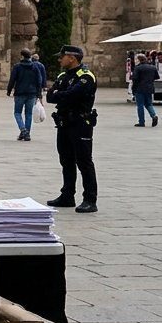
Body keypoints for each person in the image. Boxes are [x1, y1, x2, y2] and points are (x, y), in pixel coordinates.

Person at [47, 45, 98, 213]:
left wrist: (61, 94)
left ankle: (90, 199)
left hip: (80, 123)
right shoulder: (63, 76)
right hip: (64, 123)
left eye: (62, 56)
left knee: (84, 161)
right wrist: (62, 94)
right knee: (66, 160)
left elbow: (72, 96)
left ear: (72, 58)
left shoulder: (85, 76)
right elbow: (50, 97)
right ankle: (67, 195)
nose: (59, 60)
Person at [5, 48, 47, 141]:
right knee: (28, 114)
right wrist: (39, 94)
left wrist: (9, 90)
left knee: (17, 113)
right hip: (32, 93)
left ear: (22, 56)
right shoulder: (35, 67)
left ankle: (23, 130)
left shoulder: (17, 66)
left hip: (19, 93)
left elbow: (12, 79)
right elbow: (39, 81)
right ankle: (26, 133)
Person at [129, 53, 159, 127]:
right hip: (149, 88)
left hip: (139, 89)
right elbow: (156, 77)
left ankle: (141, 122)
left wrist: (133, 89)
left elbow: (135, 79)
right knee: (149, 104)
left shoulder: (138, 68)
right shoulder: (152, 67)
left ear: (139, 60)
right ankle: (154, 115)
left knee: (140, 105)